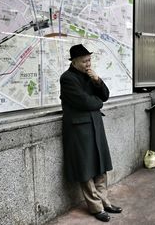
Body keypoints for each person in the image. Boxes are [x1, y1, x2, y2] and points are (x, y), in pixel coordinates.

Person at [60, 44, 122, 222]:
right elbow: (85, 102)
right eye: (85, 61)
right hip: (79, 130)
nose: (89, 63)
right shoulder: (67, 78)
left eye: (90, 60)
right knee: (86, 169)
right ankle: (96, 207)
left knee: (100, 166)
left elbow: (105, 95)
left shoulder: (90, 75)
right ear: (74, 62)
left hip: (95, 125)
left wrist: (97, 81)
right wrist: (97, 102)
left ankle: (105, 202)